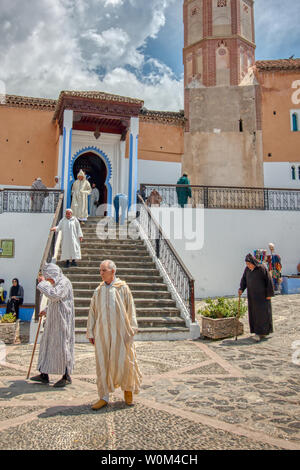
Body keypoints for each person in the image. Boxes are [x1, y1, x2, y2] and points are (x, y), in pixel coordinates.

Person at [86, 260, 142, 410]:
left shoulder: (122, 288)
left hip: (121, 333)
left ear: (113, 271)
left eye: (104, 270)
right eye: (100, 270)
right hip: (102, 333)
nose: (101, 273)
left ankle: (128, 390)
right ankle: (103, 396)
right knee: (103, 363)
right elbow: (92, 312)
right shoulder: (98, 290)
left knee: (125, 361)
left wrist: (131, 329)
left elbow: (131, 308)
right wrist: (91, 331)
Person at [30, 263, 75, 387]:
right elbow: (55, 301)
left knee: (62, 347)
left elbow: (55, 296)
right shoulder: (56, 283)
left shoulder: (64, 283)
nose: (48, 280)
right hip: (52, 320)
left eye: (48, 277)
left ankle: (66, 375)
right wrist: (46, 309)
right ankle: (44, 373)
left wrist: (43, 283)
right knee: (47, 345)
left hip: (62, 322)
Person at [239, 253, 274, 342]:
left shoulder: (261, 268)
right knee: (254, 314)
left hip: (262, 297)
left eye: (249, 264)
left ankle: (262, 332)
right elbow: (244, 280)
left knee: (263, 314)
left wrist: (269, 294)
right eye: (247, 264)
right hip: (252, 296)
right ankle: (257, 331)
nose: (248, 266)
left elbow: (268, 281)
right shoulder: (247, 270)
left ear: (253, 262)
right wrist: (241, 288)